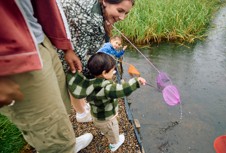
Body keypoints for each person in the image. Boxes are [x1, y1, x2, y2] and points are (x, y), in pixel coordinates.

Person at [0, 1, 92, 152]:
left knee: (60, 106)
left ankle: (67, 144)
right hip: (13, 59)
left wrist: (66, 47)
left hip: (40, 40)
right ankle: (61, 147)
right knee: (47, 130)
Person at [59, 0, 135, 122]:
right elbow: (80, 60)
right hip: (60, 54)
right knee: (73, 81)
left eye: (126, 13)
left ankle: (83, 107)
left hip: (70, 48)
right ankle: (82, 114)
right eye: (120, 10)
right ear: (105, 1)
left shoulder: (98, 10)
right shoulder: (88, 19)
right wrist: (101, 78)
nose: (122, 17)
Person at [66, 52, 146, 152]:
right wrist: (137, 81)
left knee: (104, 128)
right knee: (113, 132)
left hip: (96, 116)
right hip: (107, 120)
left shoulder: (90, 82)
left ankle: (105, 131)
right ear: (104, 73)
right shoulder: (107, 88)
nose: (114, 73)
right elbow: (122, 90)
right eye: (112, 71)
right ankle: (114, 144)